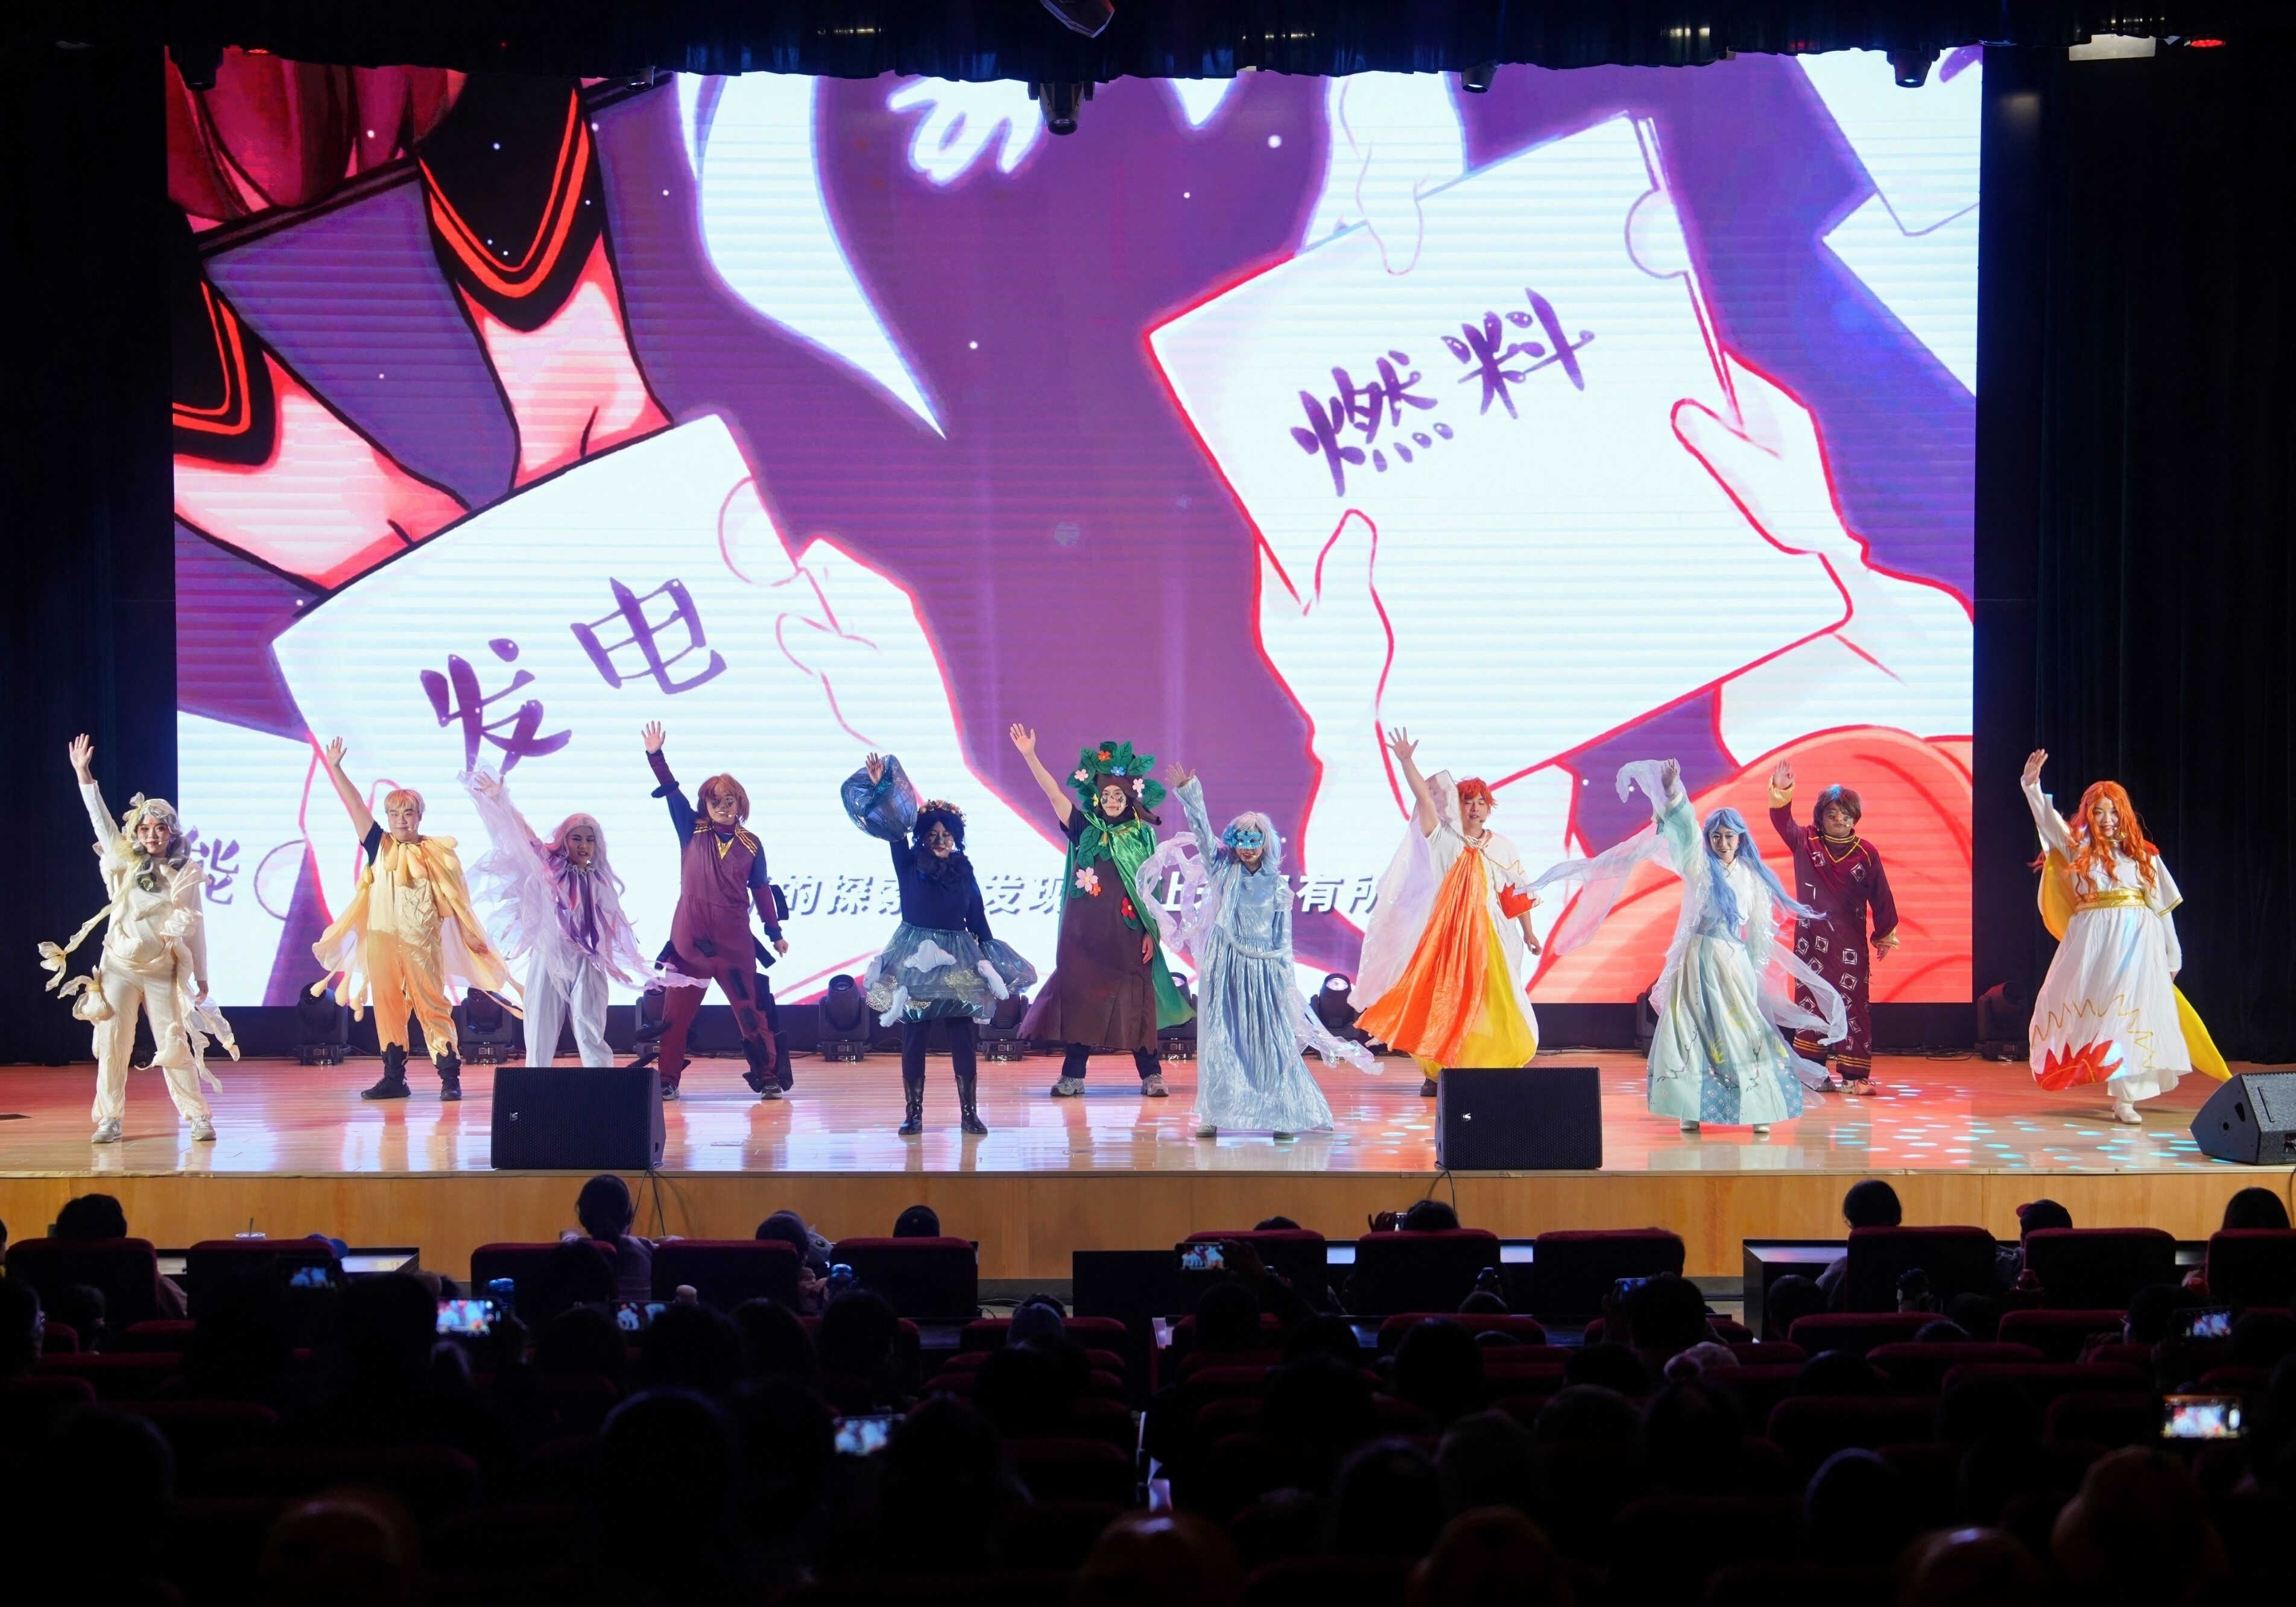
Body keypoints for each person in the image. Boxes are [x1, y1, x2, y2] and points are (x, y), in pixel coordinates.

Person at [1535, 759, 1842, 1134]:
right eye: (1717, 837)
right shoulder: (1699, 865)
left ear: (1741, 840)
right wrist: (1672, 790)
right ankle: (1690, 1106)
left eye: (1730, 837)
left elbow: (1760, 932)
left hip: (1733, 963)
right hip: (1697, 960)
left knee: (1742, 1031)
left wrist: (1753, 972)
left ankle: (1759, 1107)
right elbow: (1685, 829)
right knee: (1688, 1030)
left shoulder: (1753, 878)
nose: (1723, 843)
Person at [1143, 763, 1371, 1138]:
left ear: (1266, 844)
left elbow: (1283, 940)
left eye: (1255, 841)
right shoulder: (1222, 871)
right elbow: (1202, 833)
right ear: (1234, 842)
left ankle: (1282, 1114)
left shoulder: (1277, 887)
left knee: (1270, 1041)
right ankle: (1213, 1113)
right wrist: (1190, 792)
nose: (1248, 848)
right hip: (1224, 965)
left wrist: (1285, 982)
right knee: (1219, 1039)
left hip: (1264, 969)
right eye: (1242, 841)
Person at [40, 734, 234, 1143]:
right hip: (119, 968)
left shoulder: (184, 871)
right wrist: (83, 774)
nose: (152, 835)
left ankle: (197, 1115)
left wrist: (201, 974)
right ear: (137, 832)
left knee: (173, 1043)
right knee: (113, 1043)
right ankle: (109, 1118)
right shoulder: (124, 861)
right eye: (144, 828)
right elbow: (100, 820)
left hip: (162, 970)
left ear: (171, 832)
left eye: (160, 828)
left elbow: (195, 927)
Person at [2022, 750, 2225, 1123]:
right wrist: (2032, 785)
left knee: (2131, 1013)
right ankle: (2092, 1071)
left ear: (2124, 815)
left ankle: (2125, 1099)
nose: (2107, 819)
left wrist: (2174, 955)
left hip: (2139, 941)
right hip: (2094, 943)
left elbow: (2162, 910)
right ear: (2088, 815)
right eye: (2099, 812)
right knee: (2090, 1007)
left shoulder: (2144, 856)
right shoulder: (2077, 849)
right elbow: (2048, 823)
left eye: (2113, 812)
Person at [311, 737, 516, 1102]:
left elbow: (457, 902)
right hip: (382, 941)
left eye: (408, 813)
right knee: (388, 1007)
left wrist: (472, 936)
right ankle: (394, 1078)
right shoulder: (379, 845)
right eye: (394, 814)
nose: (401, 820)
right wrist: (336, 768)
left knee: (432, 1005)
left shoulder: (436, 853)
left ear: (419, 816)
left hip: (422, 943)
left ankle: (449, 1077)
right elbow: (355, 805)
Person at [843, 753, 1036, 1135]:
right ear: (923, 838)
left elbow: (978, 919)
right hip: (913, 955)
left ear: (956, 838)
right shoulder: (908, 863)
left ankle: (970, 1113)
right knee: (914, 1033)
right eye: (933, 835)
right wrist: (883, 787)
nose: (941, 840)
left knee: (962, 1033)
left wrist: (994, 960)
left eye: (947, 835)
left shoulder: (965, 871)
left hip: (959, 958)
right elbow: (894, 828)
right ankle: (913, 1113)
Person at [1353, 727, 1542, 1097]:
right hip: (1447, 935)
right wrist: (1407, 761)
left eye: (1481, 802)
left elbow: (1517, 892)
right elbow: (1424, 798)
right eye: (1467, 801)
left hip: (1490, 937)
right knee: (1443, 1002)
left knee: (1493, 1002)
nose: (1475, 808)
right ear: (1457, 806)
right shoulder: (1443, 838)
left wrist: (1529, 932)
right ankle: (1439, 1070)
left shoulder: (1502, 846)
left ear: (1489, 808)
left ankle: (1489, 1065)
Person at [1005, 726, 1192, 1097]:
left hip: (1128, 936)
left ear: (1129, 798)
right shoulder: (1083, 827)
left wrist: (1150, 932)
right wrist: (1029, 756)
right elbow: (1054, 794)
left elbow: (1151, 891)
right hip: (1084, 938)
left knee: (1137, 1005)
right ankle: (1072, 1076)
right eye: (1105, 795)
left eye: (1118, 795)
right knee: (1082, 1003)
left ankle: (1151, 1075)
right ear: (1097, 798)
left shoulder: (1142, 836)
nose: (1111, 800)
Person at [640, 722, 789, 1100]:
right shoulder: (691, 830)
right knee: (675, 1017)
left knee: (750, 1013)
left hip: (734, 943)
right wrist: (656, 756)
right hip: (689, 942)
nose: (723, 807)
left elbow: (761, 889)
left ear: (741, 804)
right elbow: (671, 791)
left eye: (730, 800)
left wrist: (774, 933)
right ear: (705, 805)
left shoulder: (751, 844)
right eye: (715, 801)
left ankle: (768, 1076)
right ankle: (667, 1079)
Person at [463, 766, 645, 1067]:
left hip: (588, 959)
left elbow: (611, 922)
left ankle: (602, 1084)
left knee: (590, 1026)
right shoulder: (550, 866)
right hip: (550, 955)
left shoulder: (600, 878)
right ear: (565, 840)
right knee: (539, 1026)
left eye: (590, 839)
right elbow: (524, 837)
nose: (584, 845)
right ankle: (535, 1084)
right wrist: (500, 800)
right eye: (577, 838)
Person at [1767, 760, 1900, 1093]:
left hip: (1850, 943)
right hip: (1811, 942)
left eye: (1847, 814)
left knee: (1854, 1004)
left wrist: (1884, 934)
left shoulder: (1866, 853)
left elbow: (1882, 896)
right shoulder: (1805, 841)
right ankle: (1813, 1075)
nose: (1841, 819)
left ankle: (1855, 1078)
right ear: (1820, 817)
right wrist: (1782, 789)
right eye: (1833, 814)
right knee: (1810, 1004)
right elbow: (1781, 820)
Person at [569, 1173, 654, 1302]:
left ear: (583, 1218)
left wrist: (571, 1234)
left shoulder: (576, 1248)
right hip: (637, 1316)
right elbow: (674, 1241)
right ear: (630, 1216)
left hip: (592, 1316)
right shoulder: (645, 1247)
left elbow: (568, 1236)